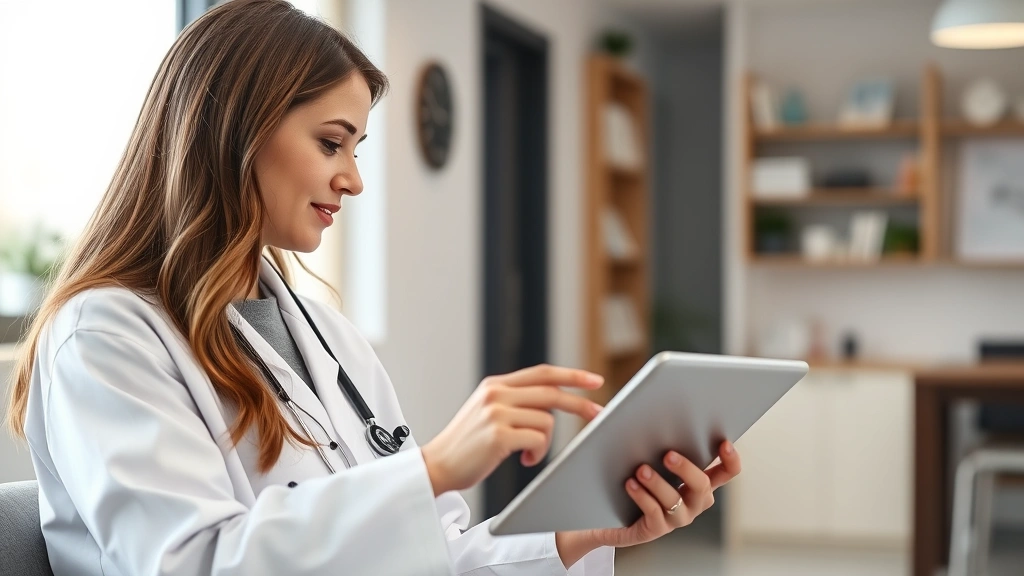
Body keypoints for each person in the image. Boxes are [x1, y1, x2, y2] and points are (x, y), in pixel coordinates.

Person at [4, 1, 742, 574]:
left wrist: (585, 534)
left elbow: (436, 552)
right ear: (233, 130)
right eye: (331, 143)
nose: (352, 179)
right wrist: (432, 467)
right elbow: (189, 562)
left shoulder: (325, 334)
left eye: (356, 149)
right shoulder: (103, 339)